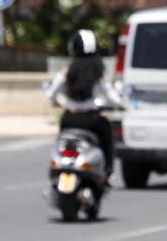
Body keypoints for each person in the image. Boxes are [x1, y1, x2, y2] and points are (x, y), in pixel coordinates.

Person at [45, 29, 122, 176]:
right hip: (92, 121)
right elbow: (110, 94)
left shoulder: (67, 71)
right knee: (107, 140)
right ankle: (108, 171)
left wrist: (57, 102)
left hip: (69, 120)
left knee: (63, 144)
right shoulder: (98, 71)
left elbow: (52, 93)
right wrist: (120, 104)